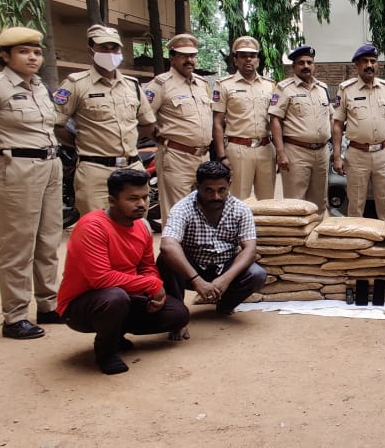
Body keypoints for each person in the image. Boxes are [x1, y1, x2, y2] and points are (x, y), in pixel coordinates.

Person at [0, 27, 63, 339]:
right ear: (5, 56)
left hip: (49, 164)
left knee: (48, 240)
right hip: (16, 167)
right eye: (23, 51)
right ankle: (15, 316)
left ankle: (48, 304)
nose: (32, 57)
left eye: (36, 51)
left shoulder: (40, 87)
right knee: (19, 245)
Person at [58, 169, 189, 375]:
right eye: (132, 199)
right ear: (112, 200)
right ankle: (106, 352)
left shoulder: (141, 226)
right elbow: (101, 278)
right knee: (114, 297)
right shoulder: (92, 227)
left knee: (178, 314)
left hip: (127, 295)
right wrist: (152, 285)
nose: (142, 204)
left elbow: (147, 266)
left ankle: (116, 331)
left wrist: (154, 290)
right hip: (83, 305)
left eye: (145, 197)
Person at [54, 24, 155, 215]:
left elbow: (147, 124)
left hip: (132, 167)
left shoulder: (132, 86)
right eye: (103, 48)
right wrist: (81, 142)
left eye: (114, 48)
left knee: (136, 229)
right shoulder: (76, 84)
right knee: (98, 229)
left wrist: (127, 139)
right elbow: (56, 125)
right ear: (91, 51)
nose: (110, 53)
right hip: (95, 171)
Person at [158, 161, 266, 339]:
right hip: (192, 269)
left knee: (257, 274)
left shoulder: (240, 209)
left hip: (225, 266)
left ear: (229, 185)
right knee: (166, 258)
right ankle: (177, 318)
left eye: (221, 190)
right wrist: (196, 279)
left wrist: (225, 279)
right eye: (208, 190)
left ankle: (224, 305)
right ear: (197, 186)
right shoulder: (182, 208)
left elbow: (250, 249)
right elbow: (167, 244)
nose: (216, 196)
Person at [332, 44, 385, 219]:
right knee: (356, 203)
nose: (369, 65)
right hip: (357, 154)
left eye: (373, 61)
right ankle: (357, 241)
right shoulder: (346, 89)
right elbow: (337, 124)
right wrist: (337, 156)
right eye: (365, 61)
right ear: (357, 65)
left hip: (383, 152)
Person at [146, 34, 215, 221]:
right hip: (176, 157)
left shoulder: (201, 84)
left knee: (202, 213)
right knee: (177, 213)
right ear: (172, 57)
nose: (189, 60)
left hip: (203, 157)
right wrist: (163, 140)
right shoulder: (161, 84)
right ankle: (174, 250)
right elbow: (145, 120)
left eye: (192, 56)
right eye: (184, 56)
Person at [268, 45, 333, 214]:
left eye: (309, 62)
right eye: (301, 63)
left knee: (320, 202)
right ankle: (296, 240)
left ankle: (315, 239)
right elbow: (274, 119)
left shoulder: (322, 88)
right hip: (296, 152)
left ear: (314, 64)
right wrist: (280, 152)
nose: (306, 66)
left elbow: (331, 117)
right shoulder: (284, 88)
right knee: (295, 202)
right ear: (294, 66)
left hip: (322, 153)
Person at [212, 36, 277, 200]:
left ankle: (262, 227)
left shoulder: (270, 85)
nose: (248, 59)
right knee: (237, 200)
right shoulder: (224, 85)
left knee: (268, 202)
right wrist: (221, 156)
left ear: (258, 60)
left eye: (253, 55)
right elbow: (217, 123)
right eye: (243, 55)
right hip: (238, 149)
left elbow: (276, 119)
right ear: (235, 60)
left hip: (266, 148)